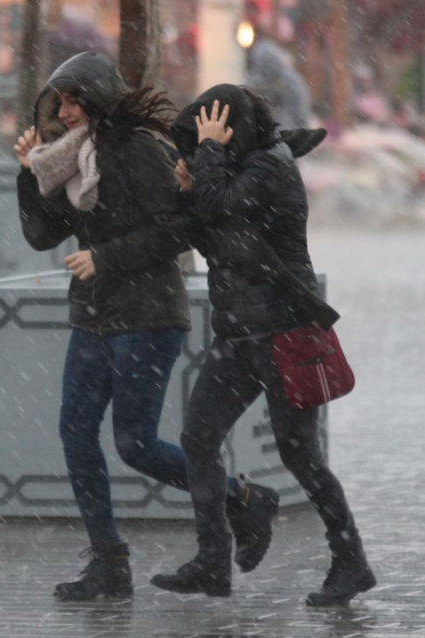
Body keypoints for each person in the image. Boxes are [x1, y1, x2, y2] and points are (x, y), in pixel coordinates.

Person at [13, 52, 280, 601]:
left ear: (96, 98)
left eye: (72, 100)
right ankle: (109, 561)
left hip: (147, 315)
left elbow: (181, 226)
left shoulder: (138, 148)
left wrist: (106, 257)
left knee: (134, 443)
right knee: (75, 432)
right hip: (93, 315)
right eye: (58, 102)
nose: (63, 112)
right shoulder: (73, 159)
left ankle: (244, 500)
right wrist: (26, 175)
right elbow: (41, 235)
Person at [150, 84, 376, 606]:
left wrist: (206, 161)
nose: (203, 144)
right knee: (199, 438)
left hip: (284, 332)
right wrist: (187, 185)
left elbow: (223, 207)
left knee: (302, 458)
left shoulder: (270, 166)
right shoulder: (231, 167)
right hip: (239, 333)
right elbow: (207, 233)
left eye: (211, 132)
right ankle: (213, 558)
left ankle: (351, 561)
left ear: (233, 128)